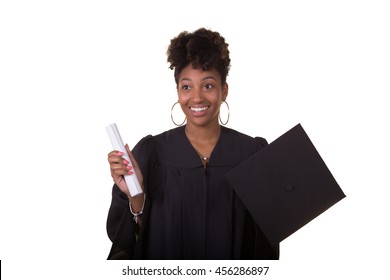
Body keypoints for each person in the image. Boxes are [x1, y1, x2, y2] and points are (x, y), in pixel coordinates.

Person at [106, 27, 279, 260]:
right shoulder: (152, 154)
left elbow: (266, 243)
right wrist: (136, 197)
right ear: (178, 92)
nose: (197, 98)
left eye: (208, 85)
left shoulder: (252, 154)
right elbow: (131, 242)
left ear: (224, 90)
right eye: (186, 86)